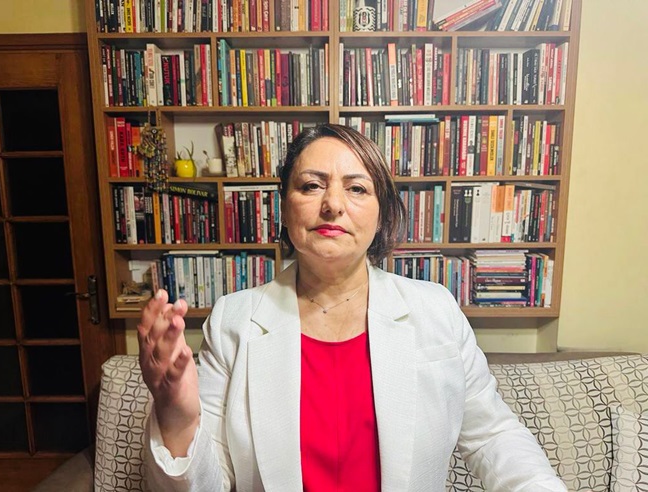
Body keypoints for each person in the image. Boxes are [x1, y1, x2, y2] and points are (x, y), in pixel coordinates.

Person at [138, 123, 567, 491]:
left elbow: (492, 436)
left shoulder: (435, 309)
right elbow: (207, 484)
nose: (333, 205)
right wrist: (177, 420)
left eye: (357, 188)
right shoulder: (234, 321)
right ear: (284, 207)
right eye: (311, 185)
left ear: (381, 214)